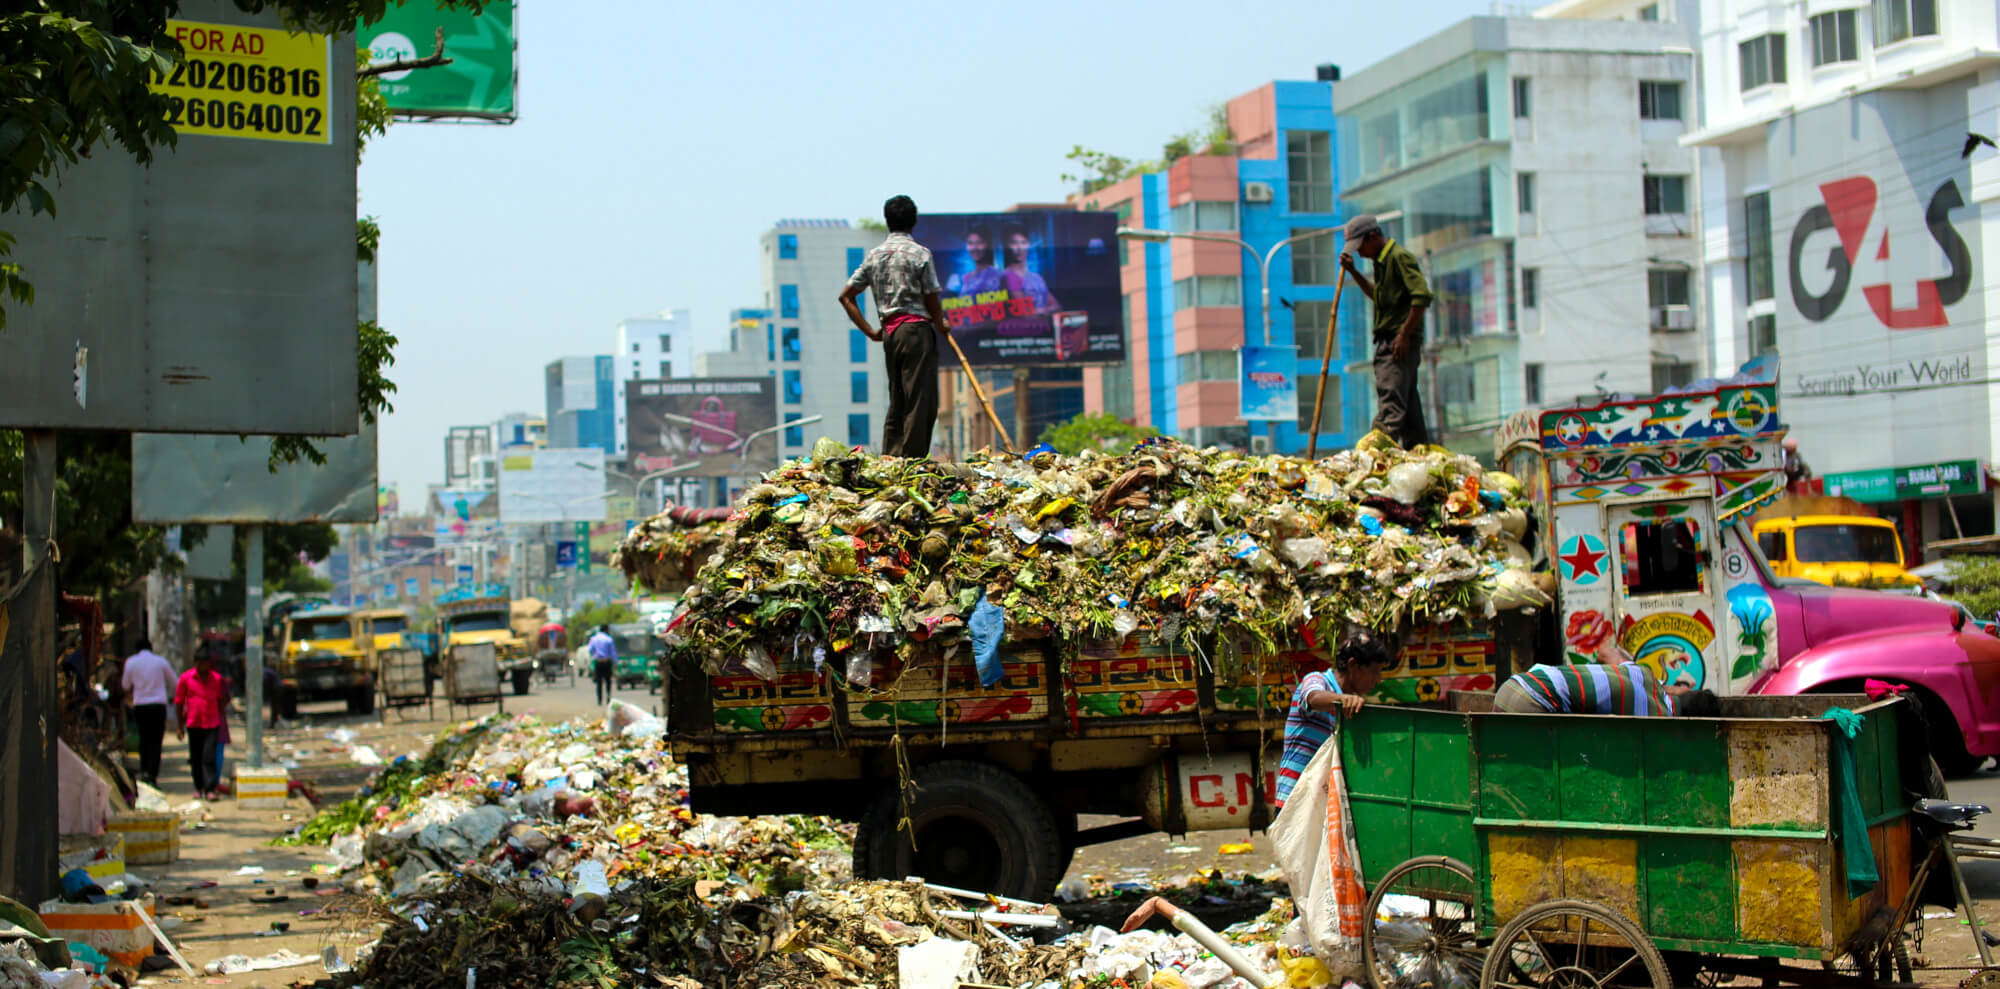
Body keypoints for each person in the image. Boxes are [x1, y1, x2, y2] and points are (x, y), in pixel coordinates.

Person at [840, 195, 953, 458]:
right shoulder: (920, 254)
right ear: (913, 222)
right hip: (916, 332)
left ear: (888, 222)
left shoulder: (875, 256)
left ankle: (891, 455)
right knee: (920, 399)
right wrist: (940, 323)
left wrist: (871, 332)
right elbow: (931, 297)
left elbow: (846, 295)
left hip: (890, 333)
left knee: (898, 398)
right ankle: (910, 461)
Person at [1274, 626, 1396, 809]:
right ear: (1353, 665)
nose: (1378, 679)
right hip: (1295, 804)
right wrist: (1342, 699)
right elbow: (1312, 697)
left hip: (1322, 806)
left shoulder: (1351, 704)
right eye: (1375, 671)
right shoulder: (1318, 680)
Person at [1340, 214, 1433, 449]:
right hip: (1391, 339)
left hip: (1396, 342)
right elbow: (1379, 298)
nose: (1359, 252)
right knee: (1409, 408)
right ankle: (1417, 453)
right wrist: (1353, 272)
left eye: (1361, 246)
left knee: (1391, 407)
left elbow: (1421, 297)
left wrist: (1404, 335)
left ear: (1373, 237)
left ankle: (1373, 456)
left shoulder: (1398, 258)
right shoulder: (1381, 263)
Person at [1494, 640, 1721, 716]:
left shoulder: (1641, 673)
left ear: (1680, 692)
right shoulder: (1655, 716)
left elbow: (1605, 651)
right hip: (1531, 702)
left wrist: (1626, 661)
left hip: (1513, 685)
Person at [172, 648, 231, 800]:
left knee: (209, 757)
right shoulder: (186, 678)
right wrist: (180, 726)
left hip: (212, 723)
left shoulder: (217, 679)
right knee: (195, 757)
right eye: (200, 663)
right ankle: (198, 787)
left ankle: (210, 788)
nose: (202, 666)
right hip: (194, 722)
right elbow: (179, 702)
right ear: (195, 663)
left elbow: (222, 700)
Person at [121, 638, 176, 786]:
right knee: (156, 740)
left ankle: (144, 772)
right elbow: (174, 682)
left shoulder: (131, 662)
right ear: (151, 649)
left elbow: (125, 685)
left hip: (141, 706)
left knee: (144, 739)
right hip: (158, 706)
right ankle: (153, 774)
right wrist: (171, 697)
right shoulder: (160, 661)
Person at [1000, 223, 1060, 314]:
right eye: (1014, 243)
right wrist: (1047, 310)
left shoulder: (1037, 278)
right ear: (1007, 246)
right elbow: (1026, 313)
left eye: (1023, 242)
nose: (1019, 248)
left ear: (1028, 244)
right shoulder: (1007, 276)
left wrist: (1039, 311)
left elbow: (1057, 306)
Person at [946, 224, 1003, 296]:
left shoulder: (996, 276)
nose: (974, 248)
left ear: (988, 245)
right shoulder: (965, 278)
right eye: (970, 243)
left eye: (979, 243)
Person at [589, 625, 618, 705]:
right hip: (607, 662)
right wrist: (616, 662)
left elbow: (590, 650)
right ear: (606, 630)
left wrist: (596, 654)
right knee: (608, 681)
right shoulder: (609, 639)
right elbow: (613, 652)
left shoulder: (594, 639)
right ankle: (608, 698)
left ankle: (599, 700)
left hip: (598, 662)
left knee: (599, 682)